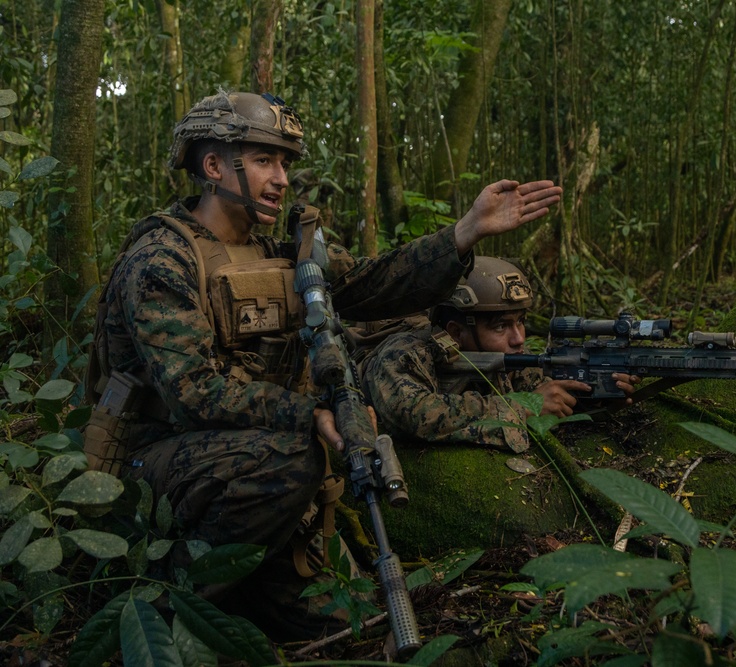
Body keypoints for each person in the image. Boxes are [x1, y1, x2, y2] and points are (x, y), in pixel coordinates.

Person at [83, 90, 561, 642]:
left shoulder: (282, 252)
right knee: (292, 459)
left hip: (250, 457)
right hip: (156, 464)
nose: (282, 178)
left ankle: (254, 577)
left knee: (351, 625)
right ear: (213, 166)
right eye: (264, 160)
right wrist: (311, 415)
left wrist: (463, 233)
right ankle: (164, 598)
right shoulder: (162, 260)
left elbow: (373, 285)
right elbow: (192, 394)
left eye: (284, 162)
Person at [360, 256, 639, 453]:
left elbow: (548, 398)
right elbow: (417, 415)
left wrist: (599, 394)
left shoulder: (509, 356)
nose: (518, 338)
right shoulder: (403, 356)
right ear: (456, 332)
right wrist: (522, 409)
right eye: (501, 326)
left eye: (520, 321)